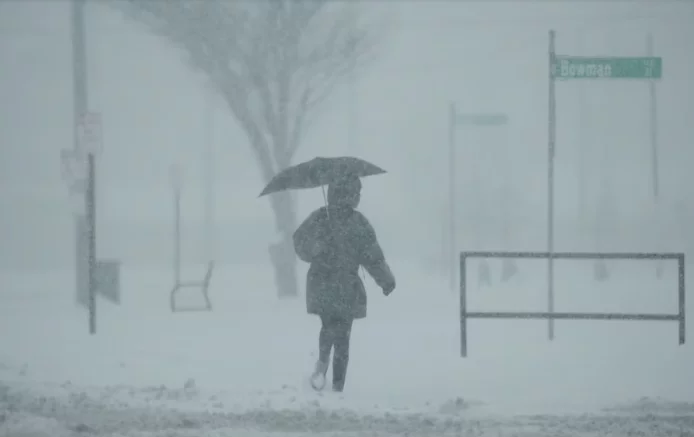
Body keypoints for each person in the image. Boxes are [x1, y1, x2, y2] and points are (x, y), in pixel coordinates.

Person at [293, 175, 396, 392]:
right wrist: (385, 280)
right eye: (357, 193)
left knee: (328, 326)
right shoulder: (358, 223)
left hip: (321, 285)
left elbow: (299, 240)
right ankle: (338, 386)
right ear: (350, 195)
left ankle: (322, 364)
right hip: (346, 287)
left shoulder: (320, 217)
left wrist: (314, 248)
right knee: (343, 337)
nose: (358, 197)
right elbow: (373, 257)